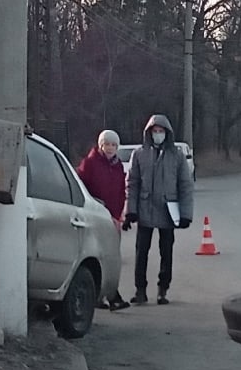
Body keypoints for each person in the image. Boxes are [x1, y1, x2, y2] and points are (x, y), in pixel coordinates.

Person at [124, 113, 193, 304]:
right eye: (155, 131)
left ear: (167, 133)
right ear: (149, 133)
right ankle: (140, 290)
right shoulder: (139, 154)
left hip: (168, 210)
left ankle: (163, 289)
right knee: (141, 252)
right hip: (145, 209)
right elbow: (132, 183)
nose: (158, 134)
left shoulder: (176, 156)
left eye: (161, 131)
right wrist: (130, 211)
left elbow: (185, 185)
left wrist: (186, 214)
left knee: (166, 251)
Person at [75, 129, 130, 310]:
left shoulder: (118, 166)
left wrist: (118, 215)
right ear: (100, 145)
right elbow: (81, 186)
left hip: (113, 218)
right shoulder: (90, 163)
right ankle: (108, 296)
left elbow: (122, 191)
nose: (110, 148)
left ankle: (109, 294)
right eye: (107, 144)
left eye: (114, 145)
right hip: (96, 216)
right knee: (99, 255)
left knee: (113, 256)